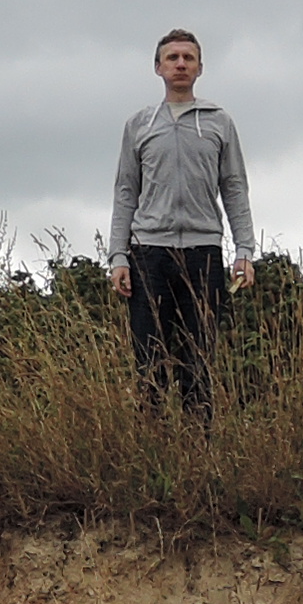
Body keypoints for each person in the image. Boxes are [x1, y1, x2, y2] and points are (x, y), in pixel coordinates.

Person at [106, 27, 256, 419]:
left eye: (188, 58)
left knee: (198, 359)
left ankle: (197, 447)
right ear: (158, 67)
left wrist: (244, 251)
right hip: (148, 253)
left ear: (200, 68)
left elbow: (234, 186)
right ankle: (152, 444)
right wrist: (118, 256)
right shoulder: (139, 125)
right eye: (172, 58)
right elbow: (126, 190)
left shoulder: (219, 122)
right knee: (149, 359)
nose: (180, 64)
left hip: (203, 253)